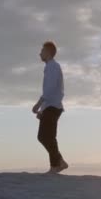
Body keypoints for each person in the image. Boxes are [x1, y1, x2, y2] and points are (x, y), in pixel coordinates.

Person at [32, 41, 68, 174]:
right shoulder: (49, 67)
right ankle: (59, 162)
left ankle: (56, 165)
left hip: (53, 106)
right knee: (45, 136)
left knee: (46, 136)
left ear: (48, 52)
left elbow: (50, 89)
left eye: (42, 51)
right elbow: (50, 90)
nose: (40, 53)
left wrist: (38, 104)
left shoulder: (53, 66)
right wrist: (42, 110)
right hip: (51, 106)